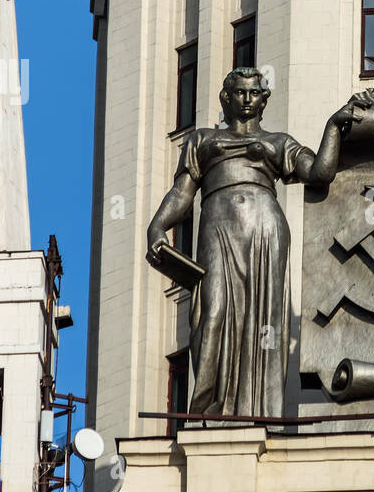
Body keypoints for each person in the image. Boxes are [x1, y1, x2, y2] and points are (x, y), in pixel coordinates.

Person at [147, 68, 357, 418]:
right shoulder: (202, 140)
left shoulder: (279, 142)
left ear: (263, 99)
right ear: (225, 99)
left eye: (253, 93)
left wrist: (333, 127)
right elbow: (182, 193)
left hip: (265, 230)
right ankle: (212, 410)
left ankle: (255, 412)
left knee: (263, 320)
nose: (247, 99)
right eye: (239, 93)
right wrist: (158, 227)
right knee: (213, 312)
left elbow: (320, 172)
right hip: (218, 227)